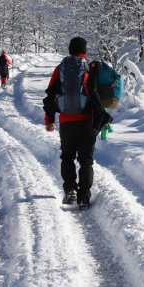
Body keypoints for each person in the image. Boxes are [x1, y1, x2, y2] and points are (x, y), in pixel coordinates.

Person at [42, 36, 98, 209]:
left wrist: (49, 119)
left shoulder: (61, 68)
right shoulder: (92, 67)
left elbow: (50, 95)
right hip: (87, 121)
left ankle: (70, 190)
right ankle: (84, 197)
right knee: (86, 160)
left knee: (67, 156)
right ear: (85, 50)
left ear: (70, 49)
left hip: (66, 121)